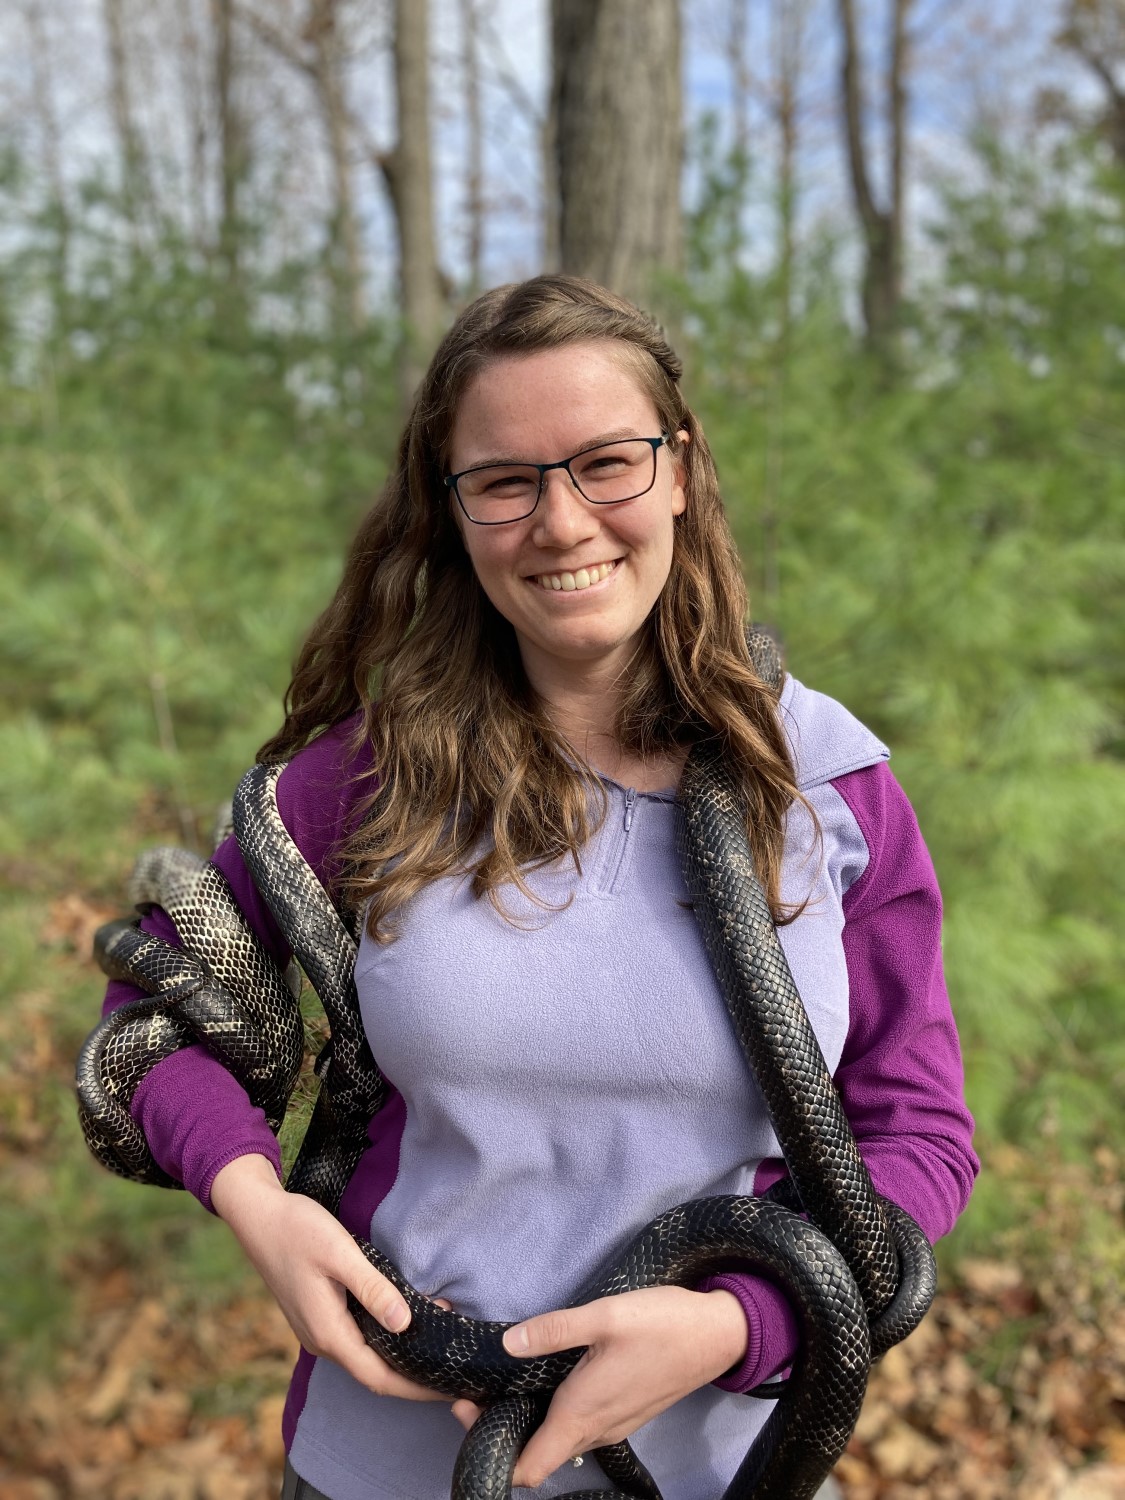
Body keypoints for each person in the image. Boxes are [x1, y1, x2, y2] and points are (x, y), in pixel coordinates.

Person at [99, 275, 978, 1500]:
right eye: (504, 482)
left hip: (733, 1470)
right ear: (450, 509)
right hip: (383, 1465)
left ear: (681, 466)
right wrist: (262, 1210)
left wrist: (737, 1329)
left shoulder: (830, 786)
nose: (561, 523)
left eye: (606, 462)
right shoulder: (358, 781)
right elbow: (147, 1030)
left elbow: (916, 1133)